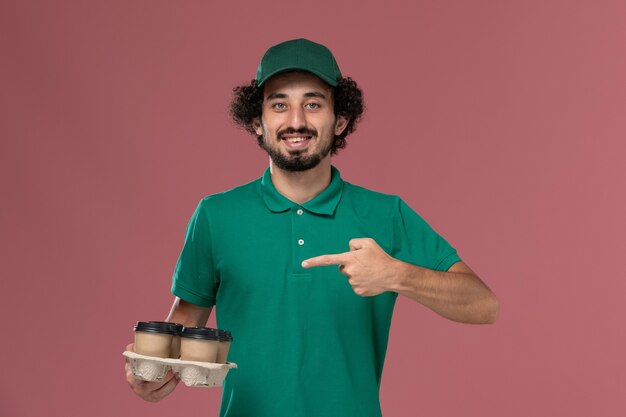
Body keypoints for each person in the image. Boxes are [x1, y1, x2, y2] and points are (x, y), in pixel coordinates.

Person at [125, 38, 499, 416]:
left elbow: (484, 304)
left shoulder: (385, 214)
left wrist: (396, 274)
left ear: (340, 120)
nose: (296, 121)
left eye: (313, 104)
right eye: (279, 105)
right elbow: (185, 322)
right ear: (257, 121)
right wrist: (151, 376)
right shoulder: (216, 215)